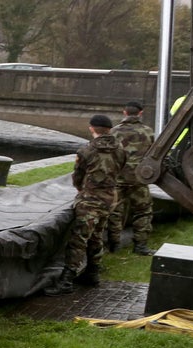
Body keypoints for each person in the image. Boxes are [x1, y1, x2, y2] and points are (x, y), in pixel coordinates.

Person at [44, 115, 125, 295]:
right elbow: (121, 168)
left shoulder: (86, 150)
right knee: (97, 235)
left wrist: (83, 190)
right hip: (110, 199)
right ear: (109, 129)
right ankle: (93, 273)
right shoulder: (120, 149)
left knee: (78, 239)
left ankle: (66, 281)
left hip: (90, 200)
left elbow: (77, 176)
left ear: (92, 128)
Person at [109, 101, 156, 255]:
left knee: (115, 211)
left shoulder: (114, 132)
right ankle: (140, 245)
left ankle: (114, 244)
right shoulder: (148, 132)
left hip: (118, 178)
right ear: (140, 113)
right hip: (139, 178)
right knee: (143, 211)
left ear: (124, 112)